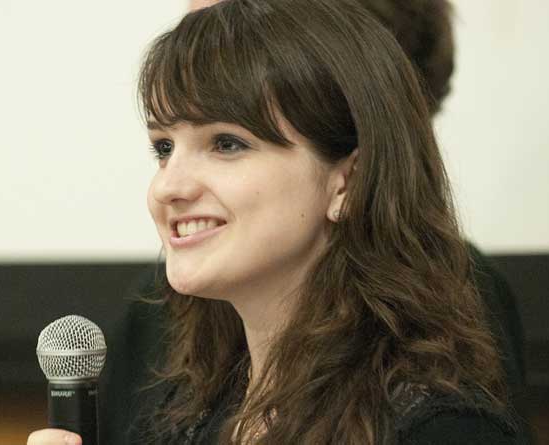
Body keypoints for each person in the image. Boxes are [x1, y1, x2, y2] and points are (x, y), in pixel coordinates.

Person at [30, 0, 521, 443]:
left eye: (226, 144)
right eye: (164, 148)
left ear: (348, 182)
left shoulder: (444, 432)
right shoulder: (181, 419)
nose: (167, 188)